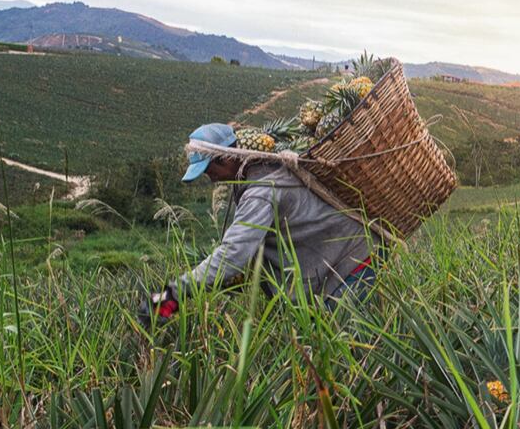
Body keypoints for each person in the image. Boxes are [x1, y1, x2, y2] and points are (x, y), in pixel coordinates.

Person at [142, 122, 379, 323]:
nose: (210, 177)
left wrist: (174, 293)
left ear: (226, 158)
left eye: (209, 169)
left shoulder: (261, 191)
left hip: (351, 266)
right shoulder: (262, 171)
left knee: (351, 354)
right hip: (346, 261)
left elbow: (233, 254)